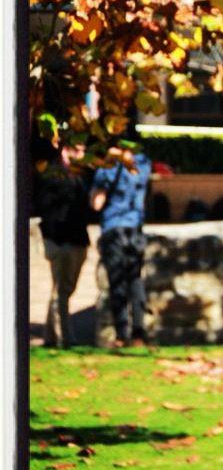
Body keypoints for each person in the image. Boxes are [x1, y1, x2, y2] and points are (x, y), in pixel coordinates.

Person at [90, 143, 152, 347]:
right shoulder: (143, 163)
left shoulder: (108, 167)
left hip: (113, 228)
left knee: (117, 282)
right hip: (135, 229)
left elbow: (97, 203)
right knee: (135, 280)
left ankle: (122, 335)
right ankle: (139, 333)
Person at [34, 142, 92, 348]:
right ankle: (65, 337)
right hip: (61, 240)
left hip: (78, 239)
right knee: (62, 291)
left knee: (64, 289)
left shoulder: (81, 176)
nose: (82, 154)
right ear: (66, 150)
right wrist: (53, 238)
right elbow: (46, 207)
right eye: (78, 150)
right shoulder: (52, 174)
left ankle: (50, 336)